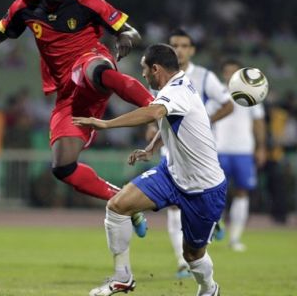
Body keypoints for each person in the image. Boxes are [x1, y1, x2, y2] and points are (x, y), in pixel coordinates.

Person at [0, 0, 153, 235]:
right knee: (63, 166)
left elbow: (130, 30)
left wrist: (125, 37)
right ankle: (127, 201)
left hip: (92, 60)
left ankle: (156, 107)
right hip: (68, 95)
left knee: (93, 70)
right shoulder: (24, 8)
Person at [73, 43, 226, 296]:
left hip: (204, 188)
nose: (143, 76)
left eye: (144, 70)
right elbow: (171, 121)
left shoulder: (177, 92)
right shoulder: (176, 87)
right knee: (117, 206)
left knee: (193, 255)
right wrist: (153, 147)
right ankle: (122, 278)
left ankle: (209, 289)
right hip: (171, 174)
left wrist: (106, 124)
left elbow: (154, 112)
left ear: (156, 68)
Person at [164, 28, 233, 278]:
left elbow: (228, 104)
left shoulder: (204, 77)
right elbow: (154, 110)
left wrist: (206, 120)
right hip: (170, 150)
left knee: (197, 203)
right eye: (174, 45)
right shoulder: (159, 74)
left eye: (184, 45)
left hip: (199, 154)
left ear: (192, 50)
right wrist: (152, 131)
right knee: (173, 205)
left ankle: (211, 220)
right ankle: (182, 263)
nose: (179, 50)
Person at [214, 59, 266, 251]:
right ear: (223, 74)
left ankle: (235, 238)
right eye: (228, 72)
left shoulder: (252, 93)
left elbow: (259, 122)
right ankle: (213, 232)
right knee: (215, 192)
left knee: (242, 192)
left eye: (234, 72)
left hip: (244, 151)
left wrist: (261, 147)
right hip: (218, 149)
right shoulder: (216, 93)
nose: (231, 76)